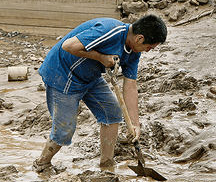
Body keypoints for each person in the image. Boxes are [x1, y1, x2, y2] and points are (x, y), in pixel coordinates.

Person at [33, 14, 167, 172]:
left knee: (112, 113)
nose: (148, 51)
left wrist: (135, 124)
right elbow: (68, 46)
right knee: (65, 129)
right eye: (149, 47)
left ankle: (106, 163)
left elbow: (130, 86)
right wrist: (101, 57)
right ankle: (42, 163)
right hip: (62, 74)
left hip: (90, 77)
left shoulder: (134, 52)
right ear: (139, 38)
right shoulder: (109, 31)